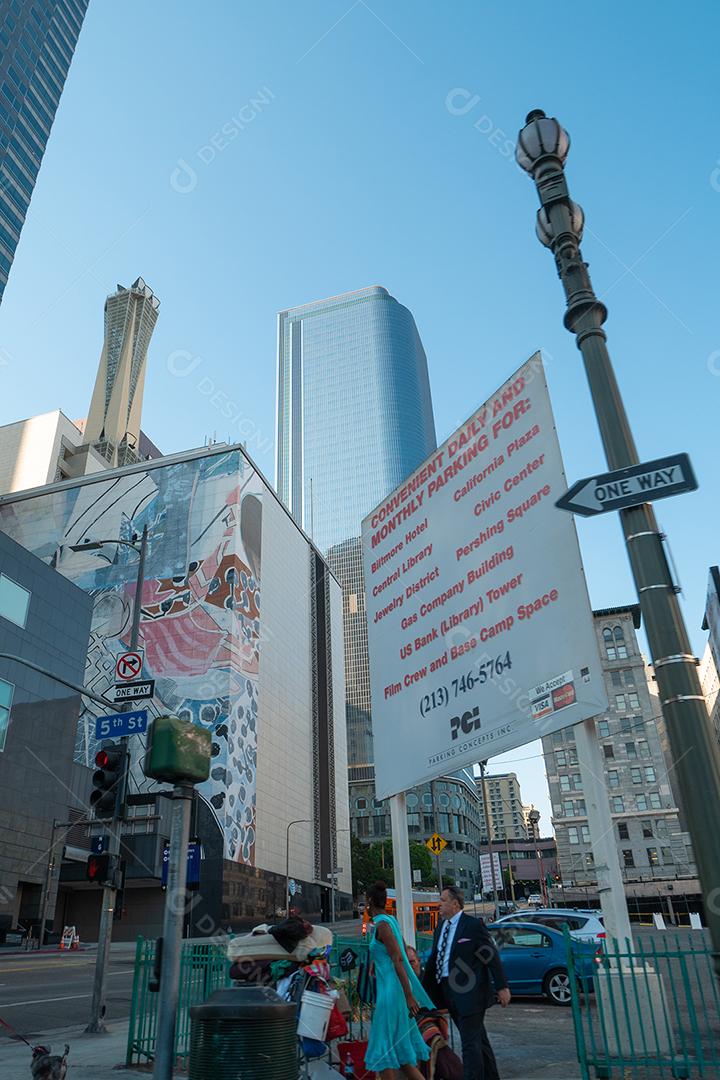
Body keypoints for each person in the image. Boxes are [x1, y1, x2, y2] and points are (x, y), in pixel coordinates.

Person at [422, 886, 510, 1080]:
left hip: (471, 993)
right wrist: (422, 990)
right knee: (479, 1040)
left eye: (443, 900)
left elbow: (491, 955)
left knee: (469, 1044)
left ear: (455, 904)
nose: (439, 903)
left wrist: (502, 986)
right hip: (448, 991)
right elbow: (434, 960)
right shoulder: (440, 927)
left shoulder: (472, 926)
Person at [364, 880, 436, 1080]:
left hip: (391, 993)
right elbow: (401, 953)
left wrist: (409, 995)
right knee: (400, 1055)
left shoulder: (382, 926)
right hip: (394, 990)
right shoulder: (391, 921)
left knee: (383, 1053)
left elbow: (397, 959)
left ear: (369, 901)